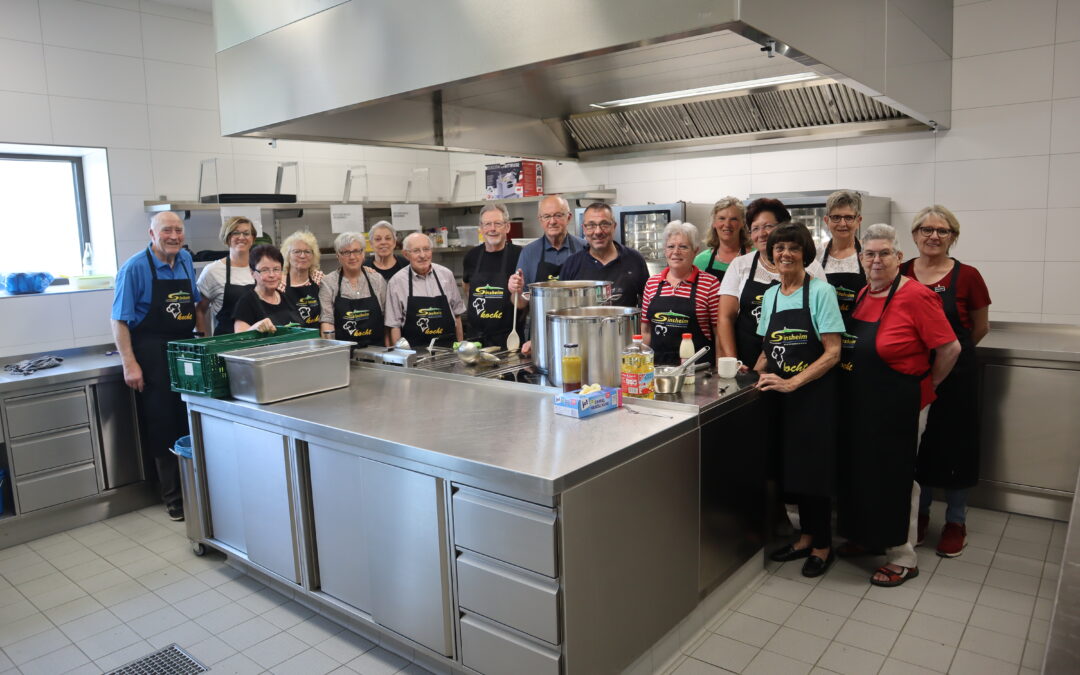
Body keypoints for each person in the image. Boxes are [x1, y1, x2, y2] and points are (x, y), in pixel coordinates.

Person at [837, 224, 960, 586]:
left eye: (884, 253)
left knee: (897, 478)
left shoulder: (916, 296)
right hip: (862, 402)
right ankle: (869, 537)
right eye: (870, 254)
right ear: (861, 259)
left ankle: (902, 555)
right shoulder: (863, 293)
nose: (877, 260)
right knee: (863, 471)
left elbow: (950, 348)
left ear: (899, 257)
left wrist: (928, 384)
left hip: (900, 403)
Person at [901, 206, 991, 557]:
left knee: (958, 447)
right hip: (912, 376)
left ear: (953, 236)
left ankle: (956, 521)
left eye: (943, 230)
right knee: (918, 449)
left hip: (957, 378)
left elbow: (979, 327)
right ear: (914, 235)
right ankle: (919, 516)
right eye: (926, 229)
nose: (933, 236)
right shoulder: (903, 272)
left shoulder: (968, 276)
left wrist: (948, 358)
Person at [756, 223, 844, 578]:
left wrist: (793, 383)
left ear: (804, 252)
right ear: (770, 255)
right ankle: (806, 537)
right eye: (778, 249)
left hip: (814, 399)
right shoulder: (771, 296)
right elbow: (767, 350)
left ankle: (823, 545)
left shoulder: (821, 293)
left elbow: (833, 352)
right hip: (782, 399)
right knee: (794, 472)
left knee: (815, 474)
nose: (785, 254)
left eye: (792, 248)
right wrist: (746, 378)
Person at [111, 212, 208, 521]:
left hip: (184, 347)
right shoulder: (134, 268)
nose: (174, 235)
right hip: (151, 350)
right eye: (166, 230)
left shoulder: (184, 262)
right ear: (151, 234)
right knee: (163, 421)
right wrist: (130, 364)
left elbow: (194, 306)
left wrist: (203, 342)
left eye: (178, 230)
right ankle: (173, 496)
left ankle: (196, 487)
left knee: (189, 416)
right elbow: (119, 320)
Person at [719, 198, 827, 370]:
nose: (761, 233)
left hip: (800, 364)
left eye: (768, 226)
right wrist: (734, 362)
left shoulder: (812, 267)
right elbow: (725, 317)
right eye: (755, 228)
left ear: (783, 227)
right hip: (749, 362)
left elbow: (824, 326)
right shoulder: (740, 265)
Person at [641, 221, 720, 366]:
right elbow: (646, 331)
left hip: (698, 370)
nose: (676, 252)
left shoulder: (710, 284)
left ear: (695, 251)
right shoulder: (652, 284)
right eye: (671, 246)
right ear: (665, 250)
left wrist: (719, 370)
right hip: (658, 370)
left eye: (683, 247)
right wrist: (643, 366)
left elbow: (719, 333)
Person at [559, 202, 650, 308]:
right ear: (584, 229)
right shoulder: (571, 264)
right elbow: (563, 307)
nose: (598, 231)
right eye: (591, 225)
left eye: (604, 224)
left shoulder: (634, 260)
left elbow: (647, 303)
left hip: (625, 324)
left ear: (614, 226)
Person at [386, 232, 465, 348]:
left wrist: (460, 347)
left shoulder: (446, 275)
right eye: (416, 251)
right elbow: (394, 326)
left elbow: (457, 316)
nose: (423, 255)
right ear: (406, 254)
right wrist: (401, 356)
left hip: (448, 351)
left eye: (426, 249)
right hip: (414, 353)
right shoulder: (397, 282)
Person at [462, 203, 525, 349]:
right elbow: (467, 288)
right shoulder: (471, 257)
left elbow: (524, 302)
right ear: (481, 228)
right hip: (475, 341)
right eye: (487, 224)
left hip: (508, 340)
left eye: (498, 223)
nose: (492, 229)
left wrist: (517, 291)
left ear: (507, 227)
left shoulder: (520, 255)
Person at [319, 232, 388, 348]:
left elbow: (387, 319)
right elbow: (327, 322)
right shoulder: (329, 282)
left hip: (377, 351)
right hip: (344, 353)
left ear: (363, 254)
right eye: (346, 252)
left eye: (356, 251)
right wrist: (332, 352)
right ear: (338, 256)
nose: (352, 257)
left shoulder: (377, 280)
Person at [196, 216, 256, 335]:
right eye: (236, 233)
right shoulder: (212, 271)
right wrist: (204, 342)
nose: (241, 237)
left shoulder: (261, 268)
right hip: (226, 343)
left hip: (260, 342)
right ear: (227, 238)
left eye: (246, 233)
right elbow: (199, 311)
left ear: (253, 238)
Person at [515, 194, 587, 286]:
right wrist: (515, 291)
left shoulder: (585, 248)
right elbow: (521, 298)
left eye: (558, 215)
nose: (552, 221)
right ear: (540, 220)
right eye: (547, 216)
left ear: (568, 218)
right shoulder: (528, 253)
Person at [819, 190, 867, 320]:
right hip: (825, 328)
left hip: (859, 327)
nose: (842, 224)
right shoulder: (816, 254)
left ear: (859, 220)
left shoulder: (868, 253)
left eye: (848, 217)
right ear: (826, 220)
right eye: (836, 217)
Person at [233, 245, 302, 333]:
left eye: (276, 269)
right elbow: (240, 339)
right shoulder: (246, 303)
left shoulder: (287, 297)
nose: (272, 275)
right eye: (264, 270)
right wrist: (254, 328)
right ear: (252, 273)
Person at [693, 196, 750, 283]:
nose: (727, 224)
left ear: (742, 223)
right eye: (722, 218)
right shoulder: (700, 261)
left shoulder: (755, 257)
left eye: (733, 219)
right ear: (714, 223)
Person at [279, 230, 325, 329]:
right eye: (297, 251)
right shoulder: (279, 283)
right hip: (291, 338)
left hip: (317, 338)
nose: (302, 256)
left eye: (307, 251)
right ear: (287, 256)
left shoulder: (320, 278)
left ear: (314, 256)